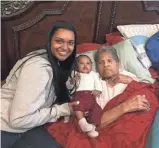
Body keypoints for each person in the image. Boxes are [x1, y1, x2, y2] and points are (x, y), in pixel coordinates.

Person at [46, 45, 159, 148]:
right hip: (116, 129)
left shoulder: (130, 77)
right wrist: (125, 106)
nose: (106, 64)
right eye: (100, 62)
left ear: (118, 64)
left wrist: (130, 81)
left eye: (109, 60)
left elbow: (148, 91)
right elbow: (97, 122)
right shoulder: (94, 86)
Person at [0, 20, 79, 148]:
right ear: (50, 41)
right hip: (6, 128)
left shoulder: (58, 62)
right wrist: (60, 110)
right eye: (59, 41)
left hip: (25, 126)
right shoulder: (38, 69)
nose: (65, 47)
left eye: (70, 43)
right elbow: (18, 121)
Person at [66, 55, 103, 138]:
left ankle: (92, 128)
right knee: (78, 106)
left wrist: (98, 90)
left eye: (88, 63)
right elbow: (68, 86)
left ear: (91, 65)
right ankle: (82, 122)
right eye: (82, 63)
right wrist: (73, 81)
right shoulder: (75, 73)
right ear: (77, 65)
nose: (85, 65)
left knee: (97, 110)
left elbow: (98, 83)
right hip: (79, 95)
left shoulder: (94, 74)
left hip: (91, 96)